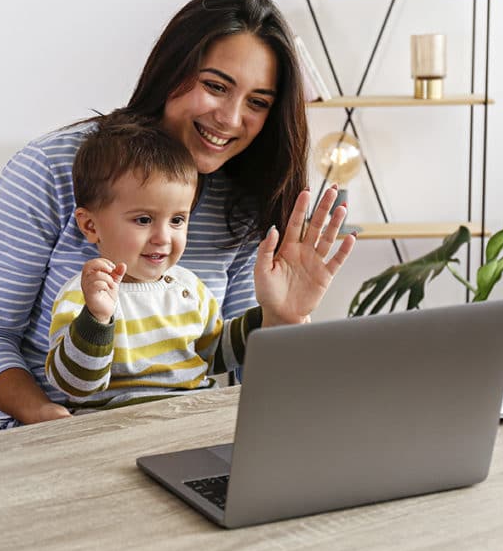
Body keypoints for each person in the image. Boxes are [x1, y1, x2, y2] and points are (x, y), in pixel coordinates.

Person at [0, 0, 350, 430]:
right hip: (60, 437)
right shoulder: (49, 169)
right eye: (215, 86)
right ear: (171, 72)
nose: (231, 118)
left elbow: (237, 367)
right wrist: (46, 419)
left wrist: (285, 319)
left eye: (257, 103)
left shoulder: (242, 200)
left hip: (181, 437)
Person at [45, 118, 351, 411]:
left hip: (193, 416)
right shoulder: (86, 296)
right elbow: (74, 386)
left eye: (177, 220)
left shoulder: (189, 287)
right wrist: (97, 319)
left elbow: (215, 354)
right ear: (90, 226)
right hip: (114, 430)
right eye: (143, 220)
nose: (162, 237)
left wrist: (274, 315)